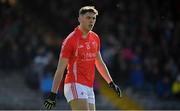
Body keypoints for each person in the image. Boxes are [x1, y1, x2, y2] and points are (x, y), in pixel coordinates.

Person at [44, 6, 122, 110]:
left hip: (89, 87)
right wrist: (53, 93)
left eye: (93, 18)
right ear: (80, 19)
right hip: (74, 84)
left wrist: (111, 83)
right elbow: (60, 69)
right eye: (88, 18)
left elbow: (99, 62)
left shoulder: (95, 38)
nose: (91, 21)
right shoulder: (70, 40)